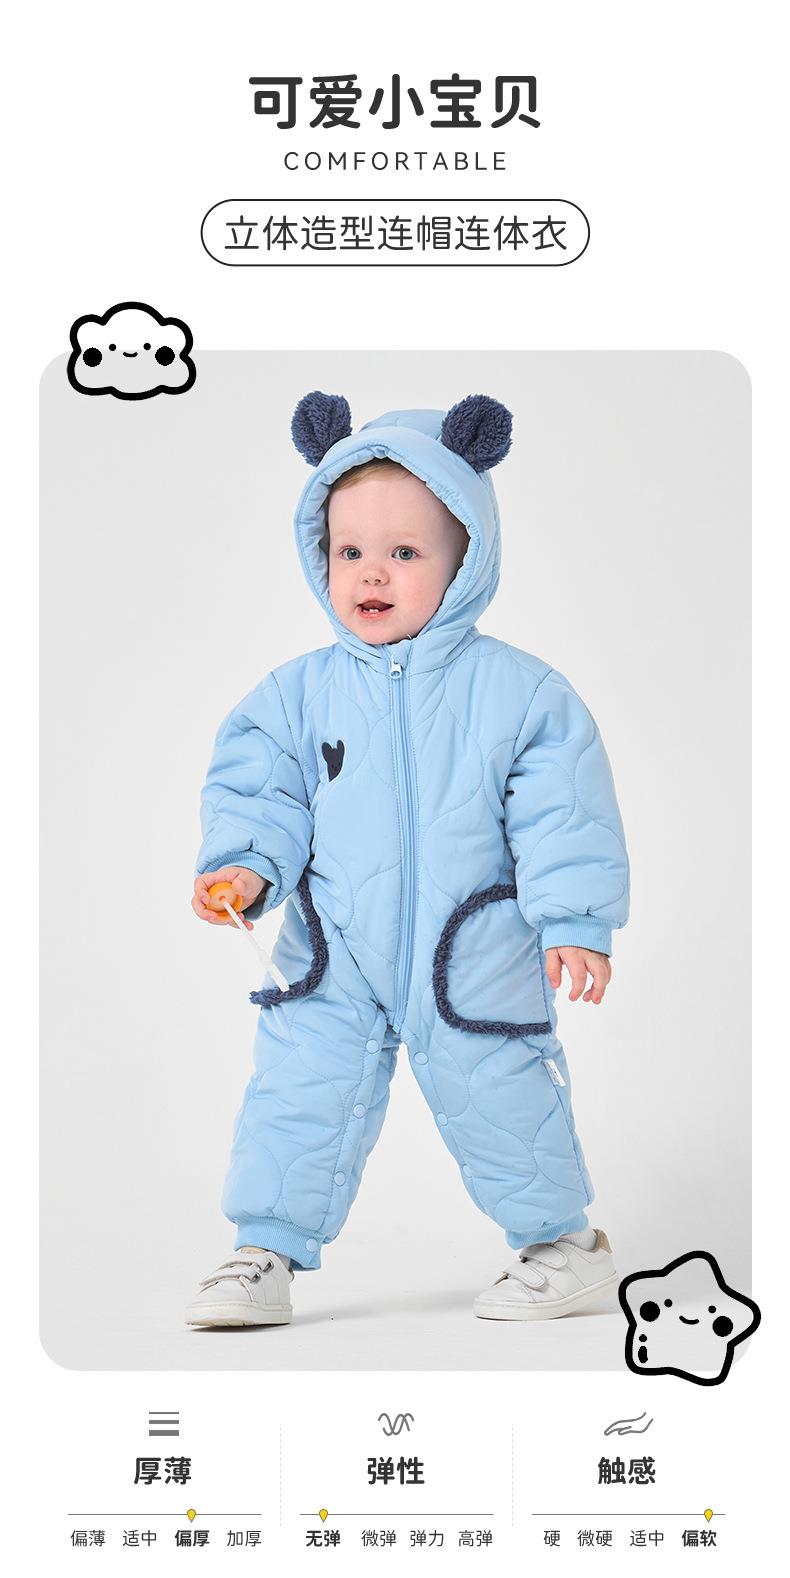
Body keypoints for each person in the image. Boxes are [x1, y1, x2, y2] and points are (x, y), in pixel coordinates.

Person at [185, 392, 629, 1328]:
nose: (372, 573)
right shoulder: (295, 696)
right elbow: (262, 793)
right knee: (297, 1096)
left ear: (466, 559)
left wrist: (574, 920)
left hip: (472, 948)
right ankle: (263, 1251)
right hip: (333, 950)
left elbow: (563, 812)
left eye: (404, 552)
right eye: (350, 552)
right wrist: (246, 867)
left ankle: (563, 1245)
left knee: (501, 1090)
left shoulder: (522, 695)